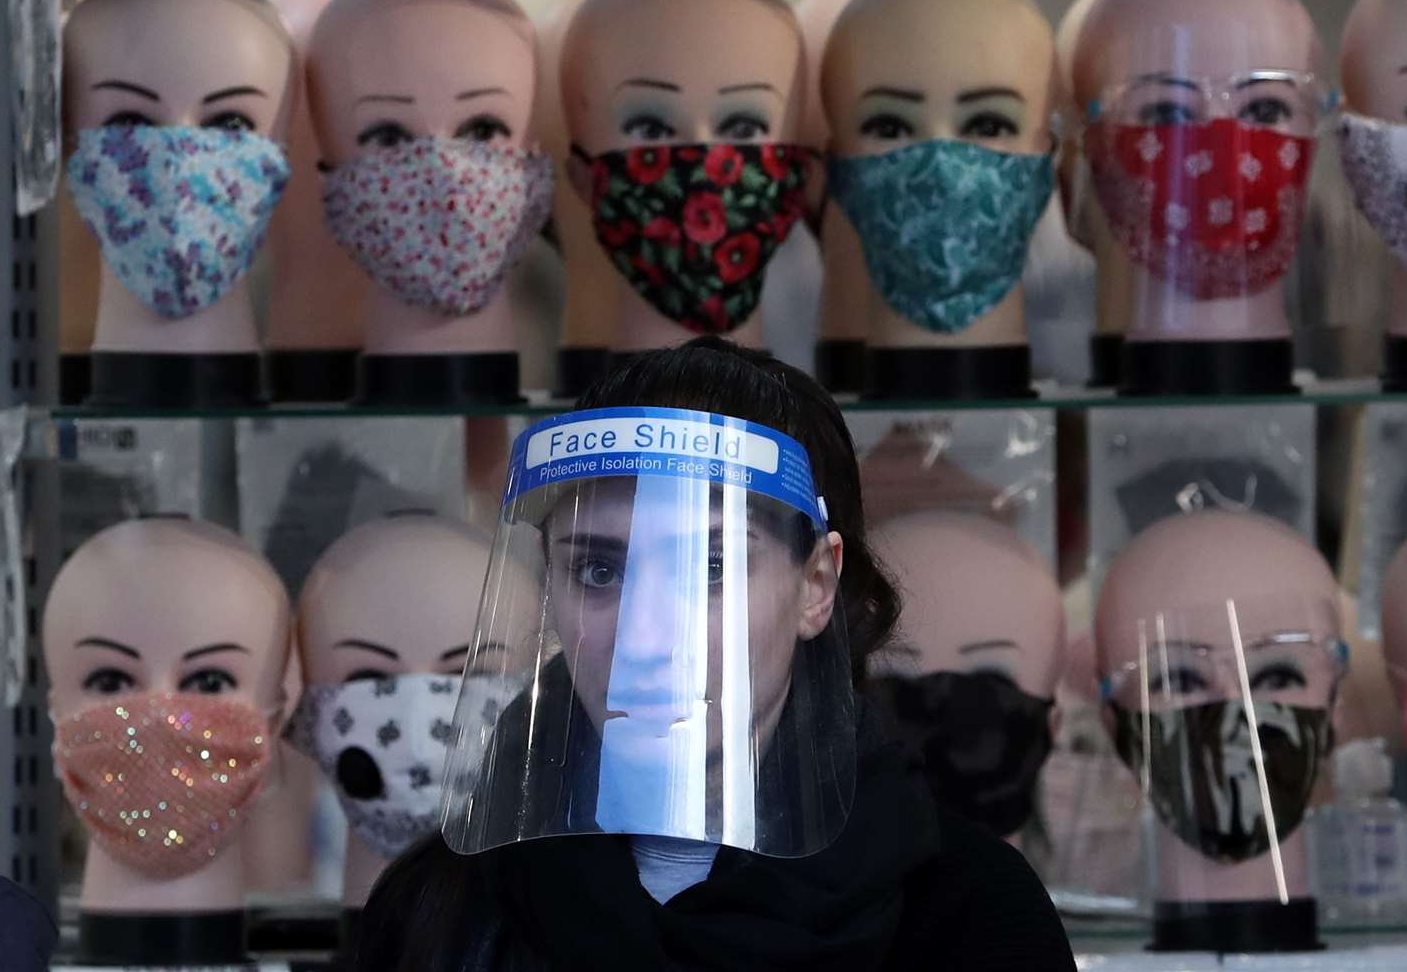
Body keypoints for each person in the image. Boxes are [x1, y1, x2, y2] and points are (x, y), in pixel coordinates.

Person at [351, 337, 1075, 971]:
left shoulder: (966, 916)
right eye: (598, 571)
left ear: (816, 586)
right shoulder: (440, 908)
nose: (643, 635)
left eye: (709, 568)